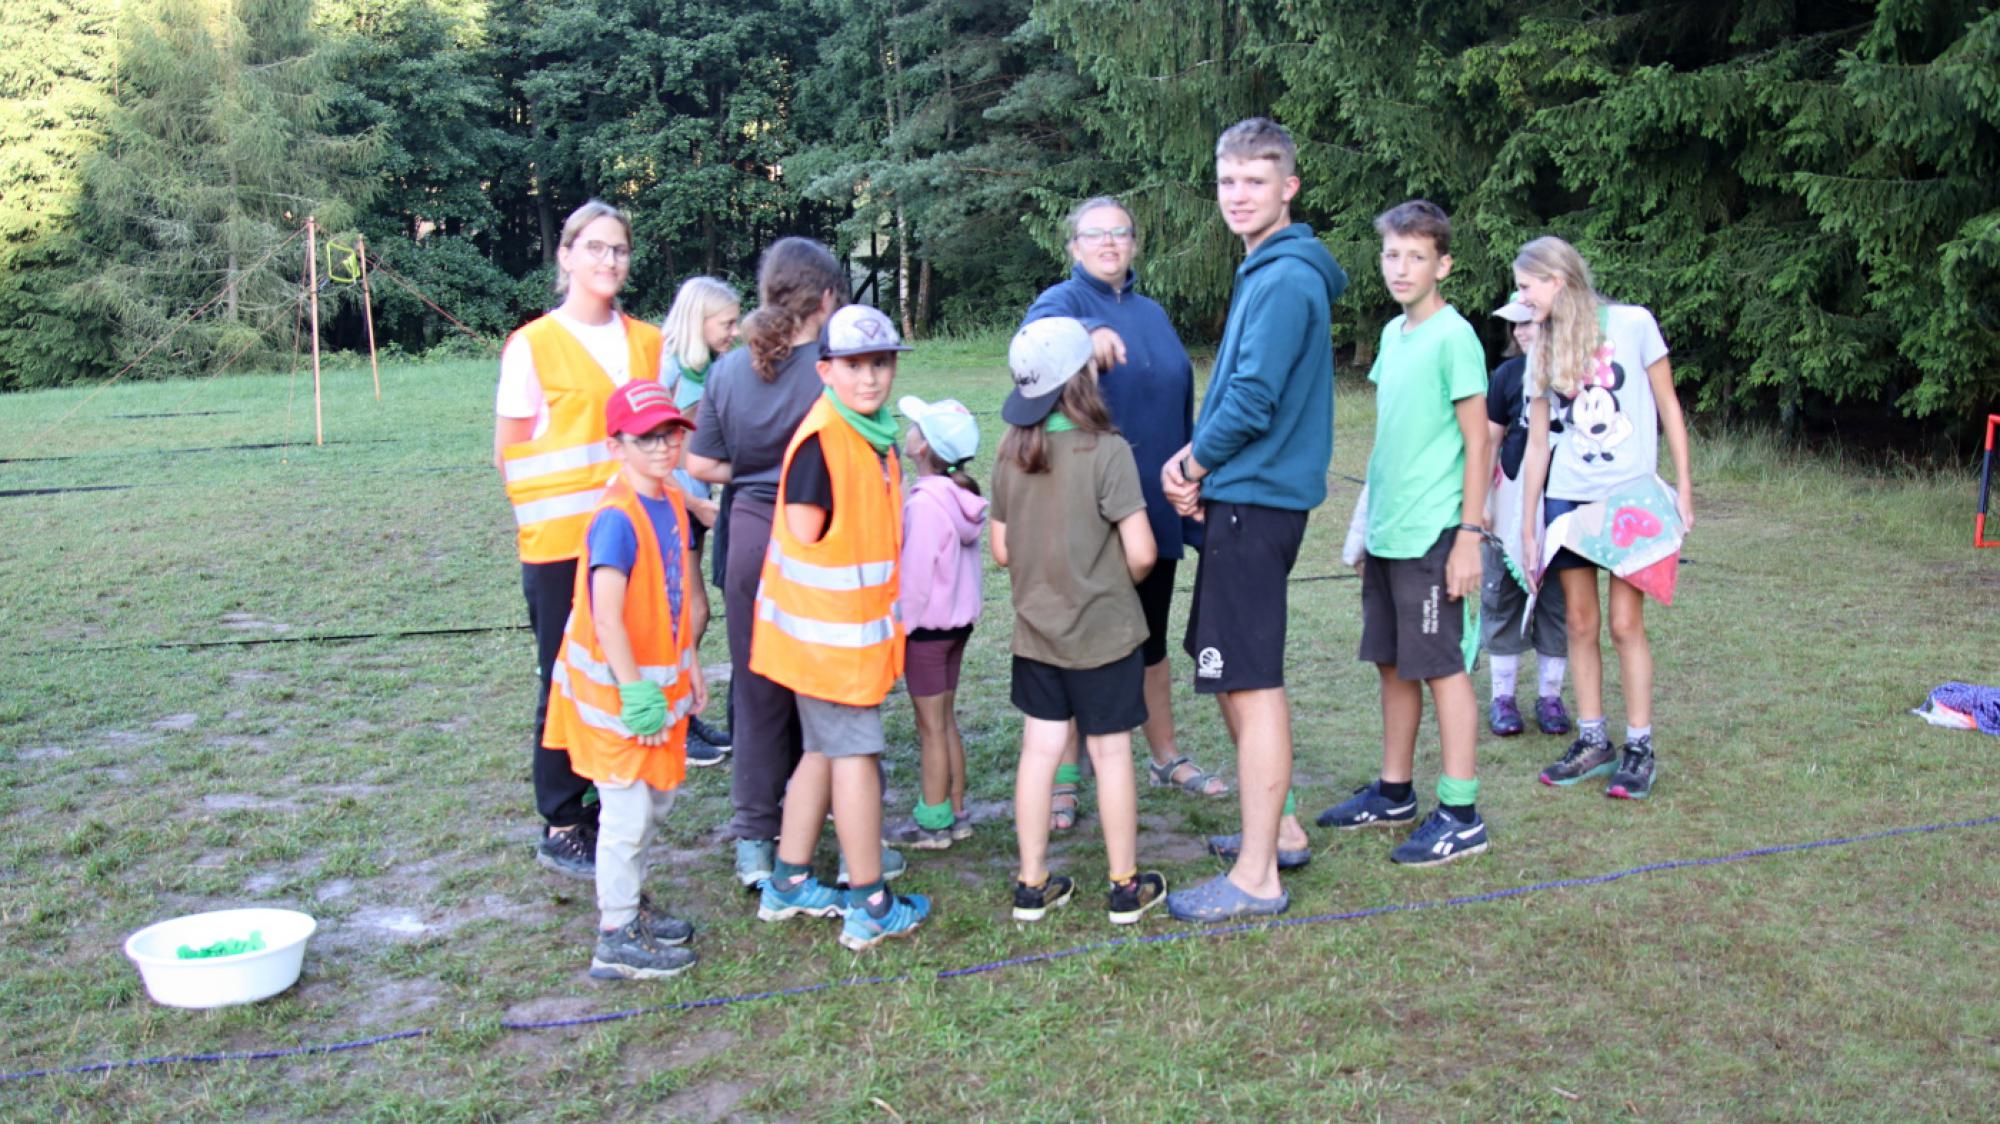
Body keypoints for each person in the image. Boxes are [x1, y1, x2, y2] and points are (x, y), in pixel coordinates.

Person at [1159, 118, 1347, 922]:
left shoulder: (1285, 279)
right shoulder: (1267, 269)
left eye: (1255, 181)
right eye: (1228, 181)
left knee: (1252, 679)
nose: (1238, 195)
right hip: (1243, 495)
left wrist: (1191, 466)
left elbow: (1252, 400)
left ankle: (1258, 876)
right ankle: (1283, 828)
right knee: (1221, 665)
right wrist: (1200, 463)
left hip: (1257, 501)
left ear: (1288, 188)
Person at [684, 240, 904, 890]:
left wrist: (758, 473)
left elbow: (699, 463)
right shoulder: (839, 369)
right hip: (825, 543)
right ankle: (861, 845)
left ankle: (756, 839)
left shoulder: (728, 369)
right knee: (838, 693)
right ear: (829, 298)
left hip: (749, 538)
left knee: (756, 691)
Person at [1021, 195, 1227, 833]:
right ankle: (1065, 775)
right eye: (1095, 234)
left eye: (1120, 233)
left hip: (1157, 503)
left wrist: (1192, 481)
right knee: (1078, 643)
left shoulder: (1152, 313)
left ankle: (1165, 755)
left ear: (1134, 244)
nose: (1109, 243)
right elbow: (1031, 346)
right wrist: (1085, 335)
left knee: (1150, 637)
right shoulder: (1061, 301)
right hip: (1089, 510)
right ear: (1073, 246)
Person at [1314, 200, 1492, 867]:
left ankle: (1462, 814)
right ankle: (1394, 794)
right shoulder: (1394, 334)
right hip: (1390, 533)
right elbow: (1393, 439)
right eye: (1392, 254)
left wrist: (1469, 536)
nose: (1402, 267)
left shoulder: (1455, 337)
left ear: (1443, 265)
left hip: (1434, 535)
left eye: (1417, 256)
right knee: (1391, 663)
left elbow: (1478, 444)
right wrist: (1366, 529)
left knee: (1442, 668)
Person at [751, 304, 932, 951]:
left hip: (835, 644)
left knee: (823, 752)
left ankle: (789, 881)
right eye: (855, 365)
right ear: (826, 370)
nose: (871, 377)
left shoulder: (869, 435)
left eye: (881, 363)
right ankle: (871, 901)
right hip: (828, 645)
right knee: (854, 755)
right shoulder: (826, 441)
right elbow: (807, 533)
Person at [494, 199, 665, 881]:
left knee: (625, 665)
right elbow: (508, 455)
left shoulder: (649, 343)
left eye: (618, 249)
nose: (608, 260)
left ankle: (612, 793)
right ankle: (564, 820)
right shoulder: (533, 345)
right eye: (594, 247)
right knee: (565, 677)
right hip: (562, 548)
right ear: (565, 256)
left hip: (635, 543)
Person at [992, 317, 1166, 925]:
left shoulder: (1010, 452)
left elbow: (1001, 550)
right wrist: (1110, 584)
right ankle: (1124, 887)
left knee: (1039, 750)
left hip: (1037, 633)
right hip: (1104, 634)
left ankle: (1032, 884)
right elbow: (1143, 552)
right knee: (1112, 754)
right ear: (1084, 377)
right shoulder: (1107, 450)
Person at [1518, 236, 1694, 800]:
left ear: (1557, 281)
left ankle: (1640, 747)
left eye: (1527, 288)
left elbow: (1668, 405)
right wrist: (1528, 524)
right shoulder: (1541, 346)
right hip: (1568, 500)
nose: (1523, 300)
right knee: (1579, 622)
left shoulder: (1634, 323)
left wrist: (1684, 487)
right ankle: (1593, 740)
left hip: (1628, 499)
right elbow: (1539, 443)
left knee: (1624, 624)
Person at [542, 380, 706, 979]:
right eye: (646, 438)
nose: (663, 447)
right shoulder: (616, 519)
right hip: (615, 699)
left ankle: (630, 905)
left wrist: (689, 665)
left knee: (653, 805)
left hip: (656, 691)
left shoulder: (670, 501)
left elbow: (670, 599)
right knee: (628, 815)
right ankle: (615, 936)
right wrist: (635, 689)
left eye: (670, 434)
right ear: (616, 447)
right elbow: (606, 615)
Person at [886, 395, 986, 851]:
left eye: (916, 426)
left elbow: (916, 577)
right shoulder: (960, 498)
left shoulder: (924, 505)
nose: (908, 431)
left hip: (926, 632)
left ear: (921, 447)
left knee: (930, 728)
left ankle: (933, 821)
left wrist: (898, 627)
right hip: (956, 628)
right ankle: (957, 810)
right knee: (944, 721)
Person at [658, 276, 741, 765]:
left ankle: (685, 714)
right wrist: (695, 504)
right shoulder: (674, 370)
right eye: (726, 322)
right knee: (692, 613)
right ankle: (674, 722)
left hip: (694, 504)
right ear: (699, 320)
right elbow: (662, 456)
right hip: (675, 507)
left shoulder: (704, 366)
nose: (735, 331)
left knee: (691, 612)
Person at [1481, 295, 1571, 738]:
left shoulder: (1575, 376)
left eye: (1528, 323)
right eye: (1514, 325)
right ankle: (1503, 696)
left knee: (1558, 599)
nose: (1520, 331)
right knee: (1502, 595)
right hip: (1510, 501)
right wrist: (1482, 500)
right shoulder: (1506, 376)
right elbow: (1490, 440)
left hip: (1563, 506)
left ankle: (1550, 695)